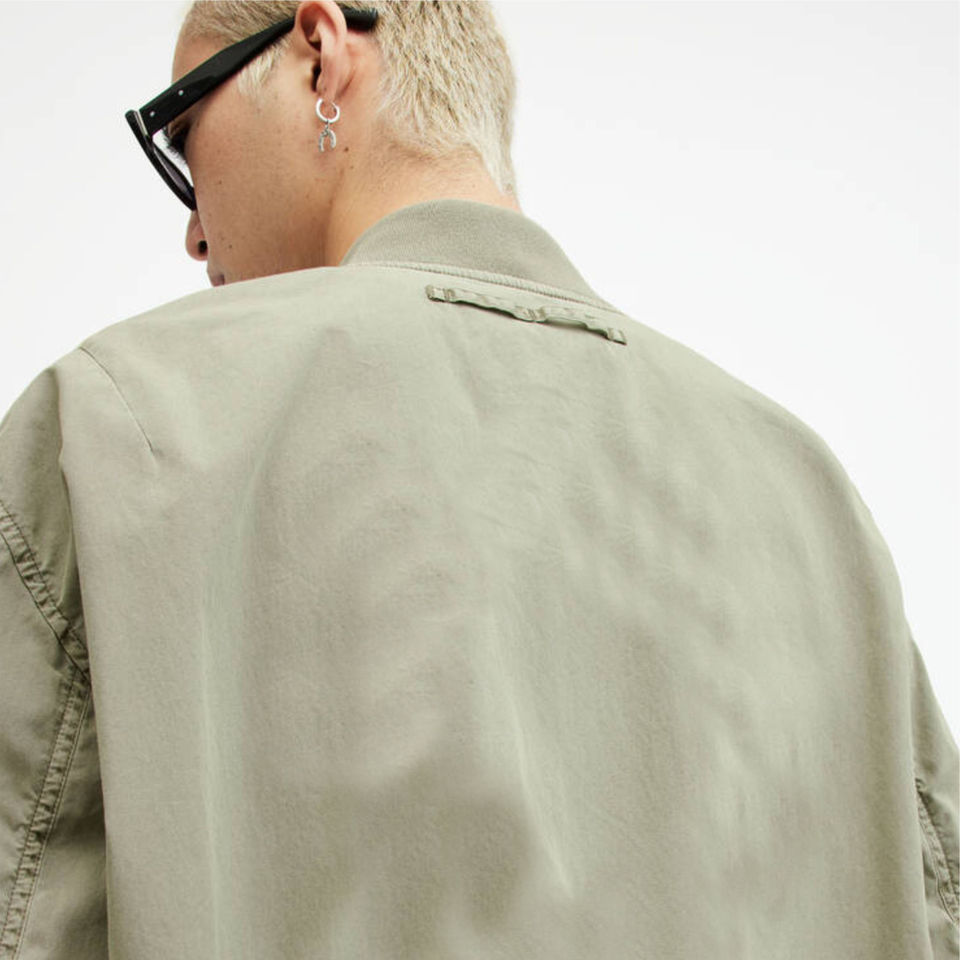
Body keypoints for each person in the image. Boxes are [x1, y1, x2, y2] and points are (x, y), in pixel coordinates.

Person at [0, 1, 955, 957]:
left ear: (320, 56)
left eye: (181, 133)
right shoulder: (812, 499)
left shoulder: (114, 427)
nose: (195, 233)